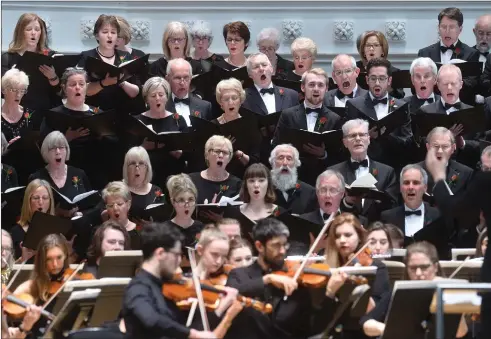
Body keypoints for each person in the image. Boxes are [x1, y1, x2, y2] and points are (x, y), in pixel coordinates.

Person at [226, 217, 348, 339]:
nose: (282, 251)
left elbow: (312, 329)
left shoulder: (296, 282)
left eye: (285, 245)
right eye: (276, 245)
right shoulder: (239, 275)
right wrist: (267, 279)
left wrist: (329, 295)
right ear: (259, 246)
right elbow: (230, 294)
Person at [121, 222, 236, 339]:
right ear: (160, 253)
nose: (180, 260)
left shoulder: (164, 287)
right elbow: (152, 320)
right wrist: (193, 334)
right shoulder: (138, 287)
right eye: (177, 254)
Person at [362, 241, 469, 338]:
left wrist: (449, 296)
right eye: (412, 268)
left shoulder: (446, 292)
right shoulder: (399, 292)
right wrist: (389, 329)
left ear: (435, 267)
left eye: (424, 267)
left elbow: (460, 333)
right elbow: (367, 323)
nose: (418, 273)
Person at [41, 67, 120, 188]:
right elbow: (44, 146)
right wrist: (66, 139)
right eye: (72, 84)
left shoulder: (98, 113)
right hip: (66, 171)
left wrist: (102, 136)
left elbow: (114, 144)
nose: (77, 87)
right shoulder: (53, 115)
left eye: (81, 84)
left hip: (95, 170)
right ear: (64, 88)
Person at [324, 213, 391, 339]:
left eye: (348, 235)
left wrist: (362, 284)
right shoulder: (328, 267)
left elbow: (378, 310)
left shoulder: (376, 267)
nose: (342, 240)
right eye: (338, 236)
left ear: (360, 237)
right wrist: (330, 292)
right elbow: (321, 314)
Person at [13, 234, 95, 337]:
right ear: (42, 260)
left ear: (65, 255)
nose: (55, 264)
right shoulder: (33, 286)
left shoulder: (77, 278)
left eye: (59, 257)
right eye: (49, 259)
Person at [272, 68, 342, 185]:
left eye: (320, 85)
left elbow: (338, 157)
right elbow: (276, 146)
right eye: (311, 84)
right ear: (303, 87)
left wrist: (323, 155)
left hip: (322, 179)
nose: (316, 89)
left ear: (326, 89)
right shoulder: (287, 115)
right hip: (292, 178)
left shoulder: (334, 119)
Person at [346, 57, 412, 169]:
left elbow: (408, 143)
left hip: (394, 168)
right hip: (363, 168)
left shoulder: (401, 106)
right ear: (367, 80)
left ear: (389, 81)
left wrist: (384, 135)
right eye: (373, 78)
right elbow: (346, 141)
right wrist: (366, 137)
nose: (377, 83)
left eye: (382, 78)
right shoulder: (354, 105)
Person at [328, 119, 398, 223]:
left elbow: (393, 208)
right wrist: (347, 202)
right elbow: (327, 205)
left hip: (377, 231)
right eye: (352, 136)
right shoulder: (334, 172)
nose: (358, 139)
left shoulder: (387, 172)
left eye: (362, 135)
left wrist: (378, 198)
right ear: (345, 142)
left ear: (369, 139)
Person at [419, 64, 485, 168]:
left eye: (453, 83)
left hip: (466, 172)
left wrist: (462, 142)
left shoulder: (473, 112)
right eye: (445, 84)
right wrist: (444, 138)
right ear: (438, 85)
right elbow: (419, 146)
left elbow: (480, 148)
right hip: (433, 170)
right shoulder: (425, 112)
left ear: (461, 84)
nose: (449, 88)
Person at [78, 14, 141, 115]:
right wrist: (103, 83)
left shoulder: (125, 57)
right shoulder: (87, 56)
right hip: (95, 114)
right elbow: (81, 90)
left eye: (113, 32)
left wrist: (122, 82)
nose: (110, 35)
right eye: (105, 32)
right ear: (97, 35)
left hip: (122, 114)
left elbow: (135, 92)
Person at [418, 7, 480, 105]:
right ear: (438, 28)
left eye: (451, 27)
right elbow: (416, 85)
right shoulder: (425, 53)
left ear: (460, 29)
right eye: (443, 27)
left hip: (460, 107)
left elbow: (472, 85)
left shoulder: (471, 53)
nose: (447, 31)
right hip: (431, 108)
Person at [134, 76, 187, 188]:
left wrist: (180, 153)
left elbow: (189, 150)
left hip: (173, 177)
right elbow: (127, 153)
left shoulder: (178, 120)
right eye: (153, 96)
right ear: (146, 99)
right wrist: (143, 147)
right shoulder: (138, 121)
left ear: (167, 97)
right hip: (146, 177)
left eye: (161, 95)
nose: (158, 98)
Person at [1, 13, 61, 110]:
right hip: (19, 111)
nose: (33, 33)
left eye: (37, 29)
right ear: (20, 32)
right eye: (29, 29)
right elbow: (2, 92)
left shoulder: (51, 56)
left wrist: (53, 77)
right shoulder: (8, 58)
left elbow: (60, 90)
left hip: (46, 111)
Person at [28, 131, 92, 219]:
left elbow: (91, 205)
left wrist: (80, 214)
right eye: (53, 148)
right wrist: (55, 212)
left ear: (67, 150)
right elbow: (29, 210)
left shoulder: (79, 173)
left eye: (61, 147)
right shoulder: (36, 178)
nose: (58, 152)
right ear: (45, 152)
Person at [212, 78, 261, 178]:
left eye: (234, 98)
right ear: (221, 103)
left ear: (240, 100)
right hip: (220, 176)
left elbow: (255, 159)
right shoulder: (213, 126)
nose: (231, 102)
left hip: (246, 176)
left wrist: (240, 154)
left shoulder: (250, 123)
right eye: (226, 99)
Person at [1, 69, 43, 185]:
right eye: (14, 90)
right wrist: (5, 149)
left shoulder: (31, 115)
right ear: (3, 90)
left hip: (29, 170)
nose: (18, 95)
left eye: (22, 90)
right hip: (4, 172)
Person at [381, 164, 441, 240]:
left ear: (425, 188)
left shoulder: (438, 217)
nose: (410, 187)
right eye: (406, 183)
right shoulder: (388, 217)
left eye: (416, 183)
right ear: (400, 188)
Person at [417, 127, 474, 195]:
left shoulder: (466, 173)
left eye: (445, 146)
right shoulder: (413, 171)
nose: (440, 151)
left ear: (453, 148)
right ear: (428, 147)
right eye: (435, 146)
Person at [188, 135, 242, 205]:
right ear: (207, 155)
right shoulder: (191, 180)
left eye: (225, 152)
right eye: (217, 151)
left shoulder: (237, 184)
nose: (221, 155)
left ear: (229, 159)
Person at [10, 179, 55, 261]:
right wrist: (22, 260)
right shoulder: (15, 232)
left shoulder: (57, 231)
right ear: (28, 201)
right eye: (36, 198)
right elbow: (5, 271)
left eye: (45, 198)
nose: (41, 202)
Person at [269, 144, 318, 215]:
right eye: (280, 158)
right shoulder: (263, 190)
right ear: (273, 163)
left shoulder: (309, 193)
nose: (285, 163)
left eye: (289, 159)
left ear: (296, 164)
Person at [162, 174, 204, 254]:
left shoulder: (202, 229)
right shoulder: (164, 230)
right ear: (173, 202)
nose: (186, 205)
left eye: (191, 199)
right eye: (181, 200)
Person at [165, 58, 213, 126]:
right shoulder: (160, 106)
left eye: (186, 77)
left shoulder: (205, 107)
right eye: (177, 78)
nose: (182, 83)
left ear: (191, 78)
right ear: (167, 79)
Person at [122, 146, 165, 222]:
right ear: (126, 168)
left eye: (141, 163)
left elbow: (164, 218)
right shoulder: (119, 189)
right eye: (132, 163)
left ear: (147, 168)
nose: (137, 168)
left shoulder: (157, 190)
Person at [356, 31, 404, 99]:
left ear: (383, 50)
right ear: (363, 51)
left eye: (376, 45)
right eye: (368, 45)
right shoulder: (353, 70)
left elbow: (399, 97)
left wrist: (389, 89)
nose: (371, 49)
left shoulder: (394, 72)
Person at [102, 181, 140, 250]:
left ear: (128, 205)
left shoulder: (139, 231)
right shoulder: (100, 232)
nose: (115, 208)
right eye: (110, 205)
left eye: (119, 204)